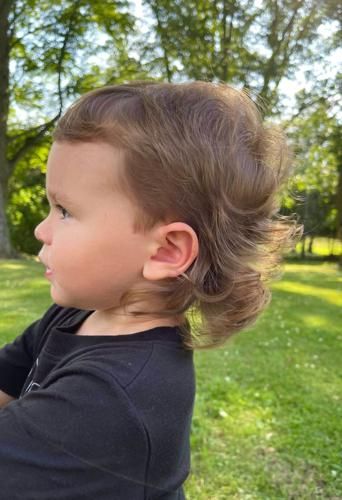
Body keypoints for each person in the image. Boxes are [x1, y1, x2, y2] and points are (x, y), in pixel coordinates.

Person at [0, 81, 302, 499]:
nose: (41, 230)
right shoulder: (79, 315)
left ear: (165, 251)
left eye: (65, 210)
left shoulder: (113, 398)